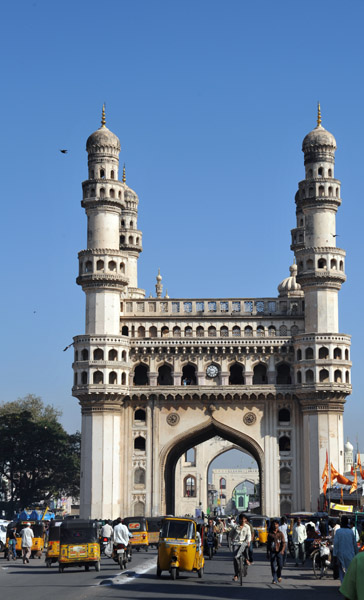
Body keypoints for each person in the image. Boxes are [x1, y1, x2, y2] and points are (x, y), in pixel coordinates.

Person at [333, 515, 358, 583]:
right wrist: (356, 553)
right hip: (350, 554)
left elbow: (336, 544)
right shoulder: (350, 532)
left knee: (341, 571)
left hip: (341, 555)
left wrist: (334, 555)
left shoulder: (338, 532)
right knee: (349, 571)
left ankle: (343, 585)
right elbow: (354, 544)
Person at [230, 513, 251, 582]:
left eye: (244, 519)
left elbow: (249, 535)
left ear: (245, 520)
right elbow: (231, 534)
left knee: (246, 547)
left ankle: (246, 559)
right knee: (235, 558)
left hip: (243, 542)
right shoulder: (235, 526)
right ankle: (236, 575)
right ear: (239, 520)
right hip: (236, 543)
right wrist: (232, 538)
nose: (243, 521)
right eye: (241, 519)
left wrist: (248, 541)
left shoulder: (247, 527)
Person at [267, 520, 286, 584]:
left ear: (278, 525)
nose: (275, 525)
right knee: (273, 565)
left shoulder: (280, 533)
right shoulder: (270, 534)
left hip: (279, 551)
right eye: (274, 524)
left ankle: (279, 575)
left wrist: (283, 550)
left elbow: (283, 542)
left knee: (280, 565)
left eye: (276, 524)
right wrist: (267, 553)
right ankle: (274, 578)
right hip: (272, 551)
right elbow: (268, 544)